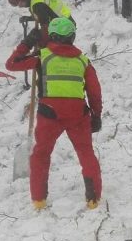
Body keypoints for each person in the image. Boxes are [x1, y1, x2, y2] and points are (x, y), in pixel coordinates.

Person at [5, 17, 103, 210]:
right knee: (86, 154)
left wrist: (27, 43)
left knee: (41, 155)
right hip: (78, 115)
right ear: (72, 37)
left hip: (49, 114)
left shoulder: (43, 56)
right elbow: (94, 91)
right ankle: (93, 199)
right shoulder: (83, 60)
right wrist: (96, 115)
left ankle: (39, 200)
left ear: (52, 36)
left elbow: (11, 64)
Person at [6, 0, 74, 46]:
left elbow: (45, 27)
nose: (20, 7)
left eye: (19, 4)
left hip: (64, 28)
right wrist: (29, 18)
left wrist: (42, 46)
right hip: (65, 20)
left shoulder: (37, 5)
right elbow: (45, 13)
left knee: (51, 50)